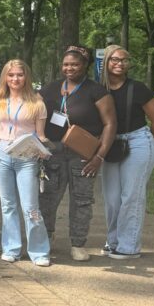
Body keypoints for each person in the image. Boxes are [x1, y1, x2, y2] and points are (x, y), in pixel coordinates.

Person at [39, 45, 117, 262]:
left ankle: (78, 243)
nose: (69, 68)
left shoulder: (96, 91)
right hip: (53, 152)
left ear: (85, 65)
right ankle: (45, 237)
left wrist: (99, 156)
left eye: (74, 64)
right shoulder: (50, 89)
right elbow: (33, 111)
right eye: (65, 64)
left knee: (81, 200)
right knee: (47, 197)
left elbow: (110, 124)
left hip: (83, 154)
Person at [100, 45, 154, 259]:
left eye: (124, 60)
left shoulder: (138, 88)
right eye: (115, 60)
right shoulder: (98, 89)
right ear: (106, 62)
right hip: (110, 144)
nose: (120, 64)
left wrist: (150, 146)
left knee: (132, 195)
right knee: (111, 198)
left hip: (138, 141)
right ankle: (113, 241)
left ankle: (129, 246)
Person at [0, 60, 52, 267]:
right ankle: (11, 248)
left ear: (26, 77)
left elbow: (41, 135)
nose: (15, 79)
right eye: (11, 75)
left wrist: (43, 150)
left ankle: (39, 251)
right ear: (5, 77)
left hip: (26, 157)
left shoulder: (36, 103)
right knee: (8, 205)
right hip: (2, 155)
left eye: (19, 75)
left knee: (31, 207)